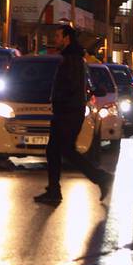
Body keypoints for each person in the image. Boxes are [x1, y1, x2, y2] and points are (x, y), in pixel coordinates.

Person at [35, 24, 113, 206]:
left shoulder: (71, 59)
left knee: (65, 150)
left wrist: (58, 101)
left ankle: (100, 177)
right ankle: (55, 190)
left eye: (57, 36)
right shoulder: (72, 57)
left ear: (66, 38)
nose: (55, 39)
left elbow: (69, 87)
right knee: (55, 150)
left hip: (68, 112)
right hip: (67, 111)